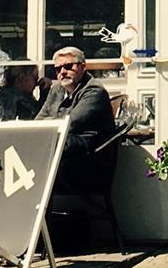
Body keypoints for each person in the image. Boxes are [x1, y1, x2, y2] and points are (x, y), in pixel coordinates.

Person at [36, 46, 118, 190]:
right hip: (63, 155)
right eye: (58, 69)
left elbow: (71, 124)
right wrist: (52, 123)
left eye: (68, 66)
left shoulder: (94, 91)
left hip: (87, 163)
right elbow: (37, 123)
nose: (62, 72)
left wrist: (50, 122)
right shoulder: (56, 89)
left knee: (40, 148)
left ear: (83, 67)